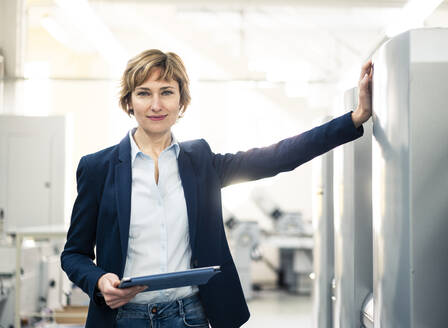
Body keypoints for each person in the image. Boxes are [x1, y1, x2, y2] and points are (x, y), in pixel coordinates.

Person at [61, 49, 373, 328]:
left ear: (181, 100)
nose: (156, 105)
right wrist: (100, 280)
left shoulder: (200, 161)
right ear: (129, 101)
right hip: (123, 319)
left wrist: (355, 118)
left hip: (189, 316)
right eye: (144, 93)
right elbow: (74, 254)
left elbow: (278, 156)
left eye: (167, 92)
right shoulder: (98, 168)